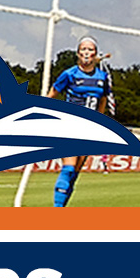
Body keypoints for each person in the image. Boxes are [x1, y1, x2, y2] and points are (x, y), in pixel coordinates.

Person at [47, 36, 115, 207]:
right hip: (69, 125)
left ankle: (61, 209)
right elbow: (52, 95)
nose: (86, 52)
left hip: (88, 129)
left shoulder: (103, 77)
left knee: (74, 174)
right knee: (68, 169)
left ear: (95, 54)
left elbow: (103, 101)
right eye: (83, 49)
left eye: (90, 49)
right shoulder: (69, 74)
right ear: (78, 54)